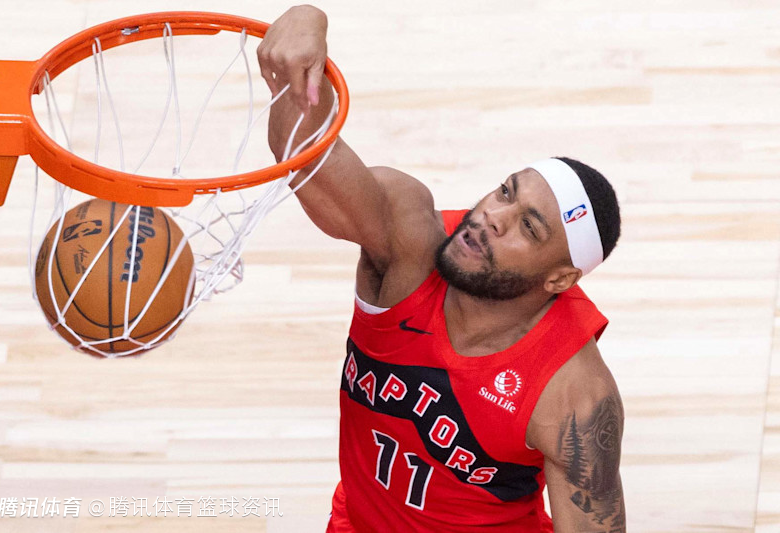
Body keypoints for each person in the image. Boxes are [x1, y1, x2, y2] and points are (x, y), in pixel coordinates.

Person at [258, 5, 625, 532]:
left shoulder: (574, 394)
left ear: (559, 279)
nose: (493, 216)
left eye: (528, 227)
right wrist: (304, 22)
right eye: (505, 192)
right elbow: (306, 154)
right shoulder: (408, 239)